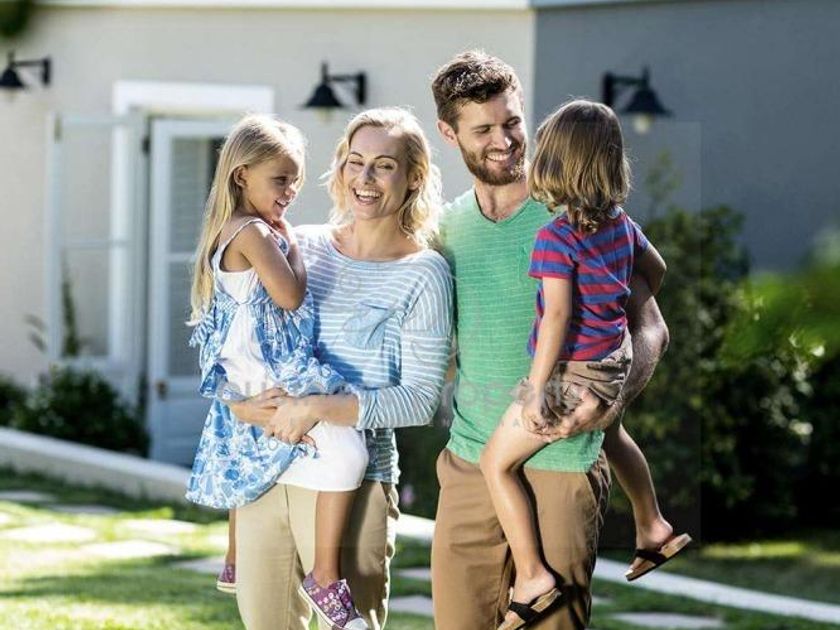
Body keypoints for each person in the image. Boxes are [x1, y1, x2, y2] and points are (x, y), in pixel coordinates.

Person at [430, 51, 671, 630]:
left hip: (565, 460)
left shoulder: (576, 214)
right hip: (470, 461)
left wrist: (610, 404)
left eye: (512, 122)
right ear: (449, 133)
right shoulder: (446, 228)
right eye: (483, 130)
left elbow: (650, 326)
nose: (504, 141)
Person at [223, 107, 453, 630]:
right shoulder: (298, 245)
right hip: (266, 467)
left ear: (414, 177)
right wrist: (239, 405)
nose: (364, 179)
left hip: (354, 481)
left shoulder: (425, 274)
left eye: (384, 165)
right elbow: (239, 337)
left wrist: (316, 408)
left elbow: (419, 400)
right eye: (355, 161)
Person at [479, 99, 690, 629]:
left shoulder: (556, 238)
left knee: (495, 464)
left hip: (572, 373)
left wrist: (536, 390)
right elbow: (658, 270)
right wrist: (612, 300)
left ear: (554, 164)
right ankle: (654, 526)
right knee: (613, 434)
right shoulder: (622, 226)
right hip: (611, 360)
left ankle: (532, 577)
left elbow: (555, 318)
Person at [185, 114, 370, 629]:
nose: (290, 191)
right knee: (349, 454)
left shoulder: (225, 232)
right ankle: (325, 577)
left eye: (295, 180)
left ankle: (235, 556)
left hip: (246, 376)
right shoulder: (253, 233)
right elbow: (289, 295)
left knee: (249, 462)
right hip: (272, 372)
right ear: (241, 175)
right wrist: (294, 250)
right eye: (280, 179)